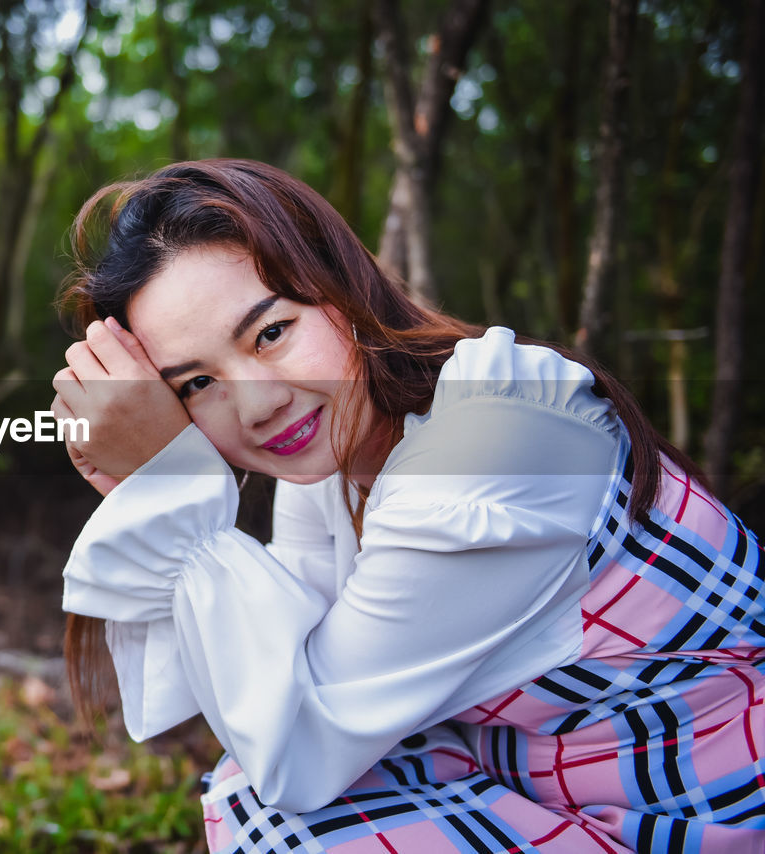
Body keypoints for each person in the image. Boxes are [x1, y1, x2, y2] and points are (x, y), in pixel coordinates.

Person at [49, 159, 765, 853]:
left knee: (287, 829)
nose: (259, 402)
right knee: (256, 800)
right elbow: (295, 690)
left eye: (272, 333)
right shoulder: (330, 468)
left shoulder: (492, 439)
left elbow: (301, 746)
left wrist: (170, 493)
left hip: (708, 822)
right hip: (562, 808)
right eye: (196, 384)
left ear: (340, 285)